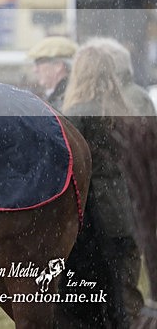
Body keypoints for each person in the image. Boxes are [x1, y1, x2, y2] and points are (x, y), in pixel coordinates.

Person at [61, 44, 142, 327]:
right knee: (125, 296)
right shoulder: (126, 112)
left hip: (92, 219)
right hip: (126, 214)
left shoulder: (75, 116)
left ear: (80, 74)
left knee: (89, 303)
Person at [83, 37, 150, 322]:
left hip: (117, 206)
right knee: (124, 284)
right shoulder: (128, 99)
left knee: (120, 289)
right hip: (128, 205)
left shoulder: (122, 101)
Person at [26, 36, 78, 111]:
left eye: (38, 63)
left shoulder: (66, 98)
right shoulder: (62, 95)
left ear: (58, 65)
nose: (35, 70)